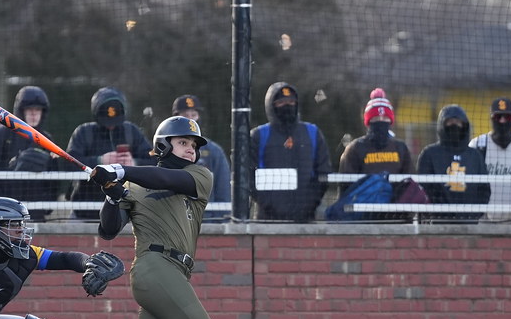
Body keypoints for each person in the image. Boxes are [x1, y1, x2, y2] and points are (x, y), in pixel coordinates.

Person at [30, 116, 310, 319]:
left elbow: (164, 178)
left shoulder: (198, 176)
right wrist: (112, 195)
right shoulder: (134, 186)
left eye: (193, 145)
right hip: (154, 268)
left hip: (174, 272)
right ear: (164, 145)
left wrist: (121, 171)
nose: (191, 149)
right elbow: (108, 230)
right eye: (183, 143)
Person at [0, 86, 60, 221]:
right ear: (20, 111)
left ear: (43, 112)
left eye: (38, 109)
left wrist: (45, 206)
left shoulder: (47, 140)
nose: (34, 114)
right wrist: (4, 204)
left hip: (34, 215)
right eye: (29, 109)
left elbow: (54, 182)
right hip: (1, 216)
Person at [249, 82, 332, 222]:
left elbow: (323, 173)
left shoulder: (313, 132)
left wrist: (310, 204)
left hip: (306, 218)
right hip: (267, 220)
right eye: (281, 102)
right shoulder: (258, 135)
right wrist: (269, 204)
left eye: (291, 101)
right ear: (271, 106)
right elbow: (248, 176)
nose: (287, 105)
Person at [66, 86, 153, 220]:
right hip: (85, 212)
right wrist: (101, 161)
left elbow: (154, 159)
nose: (111, 124)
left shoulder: (131, 131)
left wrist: (133, 163)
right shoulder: (83, 132)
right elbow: (69, 163)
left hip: (125, 214)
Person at [416, 104, 490, 223]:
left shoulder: (475, 156)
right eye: (449, 121)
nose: (454, 125)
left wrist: (474, 214)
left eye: (458, 122)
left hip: (469, 222)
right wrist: (435, 213)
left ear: (465, 125)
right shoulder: (429, 154)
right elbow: (422, 188)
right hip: (437, 223)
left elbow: (484, 189)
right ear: (442, 125)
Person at [469, 97, 511, 223]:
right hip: (483, 221)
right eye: (498, 117)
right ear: (491, 118)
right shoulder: (477, 145)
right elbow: (472, 184)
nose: (502, 121)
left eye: (507, 117)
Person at [171, 94, 231, 220]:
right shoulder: (164, 150)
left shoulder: (214, 151)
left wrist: (218, 223)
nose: (190, 119)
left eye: (194, 115)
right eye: (185, 115)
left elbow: (223, 192)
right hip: (174, 221)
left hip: (207, 222)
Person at [338, 88, 412, 176]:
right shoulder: (355, 148)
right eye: (376, 118)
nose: (381, 121)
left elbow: (410, 180)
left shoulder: (401, 148)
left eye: (385, 118)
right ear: (368, 122)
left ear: (390, 121)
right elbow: (345, 181)